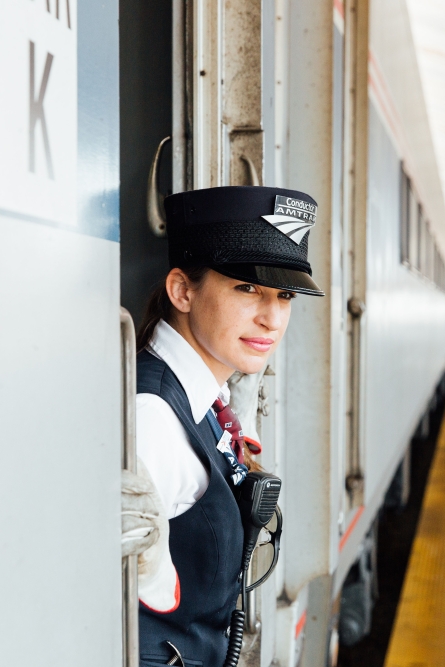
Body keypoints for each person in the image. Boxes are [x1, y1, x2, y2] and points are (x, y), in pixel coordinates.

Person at [121, 186, 323, 667]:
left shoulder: (208, 402)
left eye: (286, 295)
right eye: (246, 287)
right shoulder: (153, 418)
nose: (272, 317)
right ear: (182, 291)